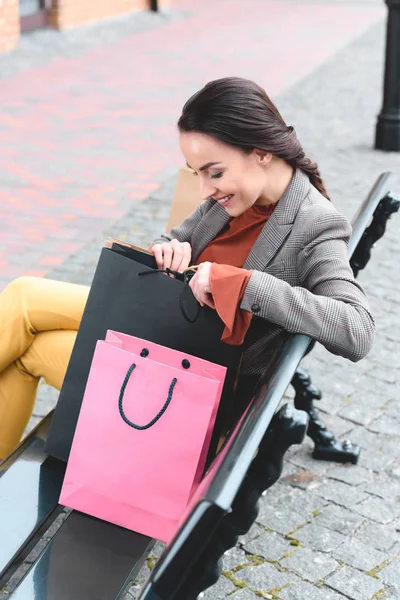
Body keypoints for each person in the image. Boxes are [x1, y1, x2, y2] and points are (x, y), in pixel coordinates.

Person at [0, 77, 375, 461]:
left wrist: (245, 285)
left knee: (29, 333)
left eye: (213, 172)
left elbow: (357, 330)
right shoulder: (232, 197)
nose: (203, 189)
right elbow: (173, 236)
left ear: (261, 152)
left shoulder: (315, 224)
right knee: (24, 297)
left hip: (190, 381)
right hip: (162, 330)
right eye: (196, 173)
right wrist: (169, 250)